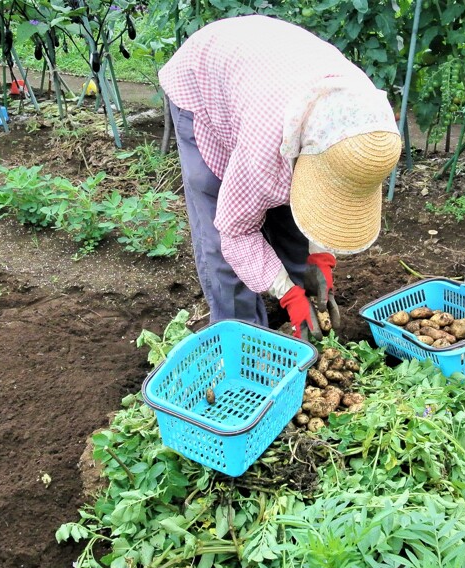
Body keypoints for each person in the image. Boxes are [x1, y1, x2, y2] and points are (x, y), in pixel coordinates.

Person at [158, 14, 402, 339]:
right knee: (220, 226)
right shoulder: (263, 145)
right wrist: (287, 293)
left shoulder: (364, 121)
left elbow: (328, 191)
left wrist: (320, 256)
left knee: (290, 219)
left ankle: (292, 308)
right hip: (205, 79)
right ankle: (244, 338)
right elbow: (235, 232)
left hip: (270, 72)